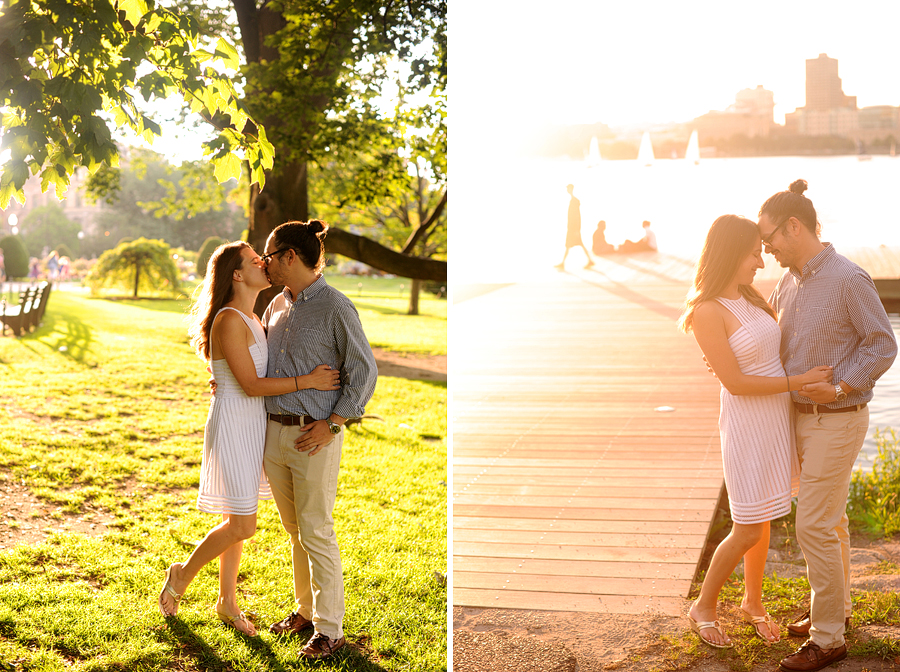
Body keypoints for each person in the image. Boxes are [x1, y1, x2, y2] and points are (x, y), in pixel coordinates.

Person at [158, 241, 341, 636]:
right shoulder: (228, 319)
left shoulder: (254, 317)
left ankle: (227, 603)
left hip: (254, 424)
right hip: (235, 427)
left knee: (235, 515)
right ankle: (182, 574)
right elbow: (252, 384)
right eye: (256, 259)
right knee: (242, 525)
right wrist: (308, 380)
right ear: (237, 274)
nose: (265, 262)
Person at [757, 180, 897, 672]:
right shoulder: (789, 279)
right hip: (800, 419)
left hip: (837, 418)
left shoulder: (847, 278)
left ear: (794, 226)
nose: (765, 249)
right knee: (831, 522)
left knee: (813, 524)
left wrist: (838, 387)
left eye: (768, 237)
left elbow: (883, 345)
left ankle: (829, 637)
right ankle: (834, 610)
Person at [678, 214, 833, 649]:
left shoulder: (750, 298)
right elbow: (736, 382)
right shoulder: (708, 311)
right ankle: (703, 607)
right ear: (730, 253)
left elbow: (769, 350)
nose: (760, 263)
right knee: (747, 524)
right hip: (748, 423)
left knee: (762, 517)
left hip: (775, 420)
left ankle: (752, 602)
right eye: (753, 254)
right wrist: (798, 382)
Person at [259, 220, 377, 660]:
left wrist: (333, 424)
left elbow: (364, 372)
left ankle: (331, 629)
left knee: (317, 530)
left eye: (270, 256)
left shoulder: (336, 307)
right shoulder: (276, 305)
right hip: (275, 434)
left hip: (315, 435)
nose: (265, 263)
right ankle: (305, 612)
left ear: (290, 256)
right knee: (295, 531)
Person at [556, 184, 594, 268]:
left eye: (568, 188)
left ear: (571, 189)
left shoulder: (574, 201)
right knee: (570, 245)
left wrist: (577, 230)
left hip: (573, 229)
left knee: (572, 245)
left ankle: (563, 263)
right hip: (572, 228)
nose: (567, 190)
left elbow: (577, 216)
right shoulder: (573, 200)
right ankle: (563, 263)